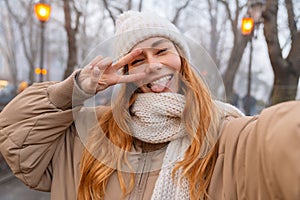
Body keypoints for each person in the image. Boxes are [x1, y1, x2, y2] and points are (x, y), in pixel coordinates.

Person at [0, 11, 299, 200]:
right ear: (125, 73)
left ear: (182, 60)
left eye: (162, 51)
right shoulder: (88, 135)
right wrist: (76, 89)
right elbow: (18, 142)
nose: (153, 65)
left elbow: (280, 139)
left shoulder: (225, 136)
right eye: (138, 59)